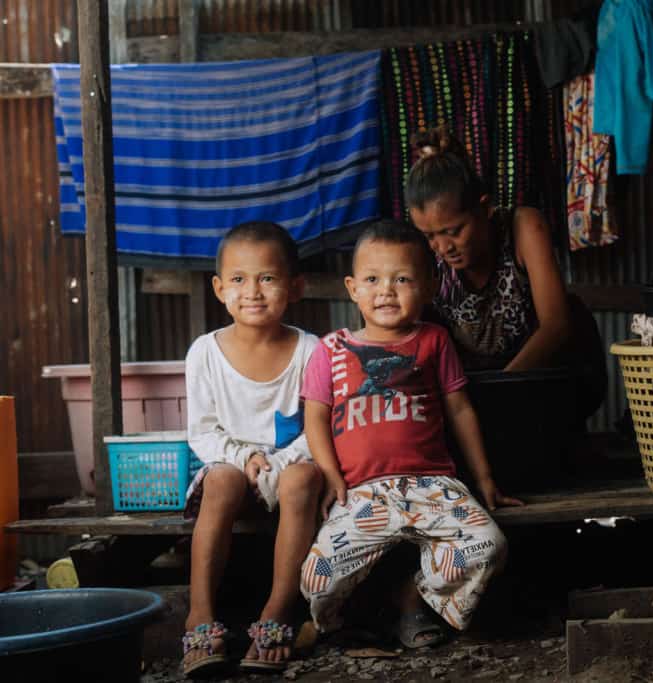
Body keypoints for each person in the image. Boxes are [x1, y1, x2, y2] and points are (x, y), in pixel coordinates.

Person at [299, 220, 522, 649]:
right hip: (361, 492)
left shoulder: (434, 341)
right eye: (372, 279)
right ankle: (346, 620)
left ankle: (413, 597)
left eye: (402, 279)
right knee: (318, 580)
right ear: (352, 288)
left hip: (433, 484)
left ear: (430, 285)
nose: (386, 290)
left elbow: (460, 409)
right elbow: (315, 419)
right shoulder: (330, 349)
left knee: (488, 545)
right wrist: (331, 476)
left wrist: (486, 481)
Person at [181, 221, 323, 677]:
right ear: (219, 288)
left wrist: (279, 462)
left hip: (293, 467)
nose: (253, 291)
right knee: (221, 478)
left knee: (303, 477)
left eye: (267, 278)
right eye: (239, 280)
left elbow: (322, 428)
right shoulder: (204, 353)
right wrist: (244, 458)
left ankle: (279, 609)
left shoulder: (312, 351)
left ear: (295, 286)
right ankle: (199, 612)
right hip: (232, 471)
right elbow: (201, 432)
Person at [405, 126, 606, 421]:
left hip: (537, 374)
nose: (443, 247)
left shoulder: (523, 227)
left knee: (574, 314)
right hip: (470, 381)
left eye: (454, 231)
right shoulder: (427, 253)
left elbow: (557, 326)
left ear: (484, 208)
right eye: (430, 235)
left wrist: (497, 392)